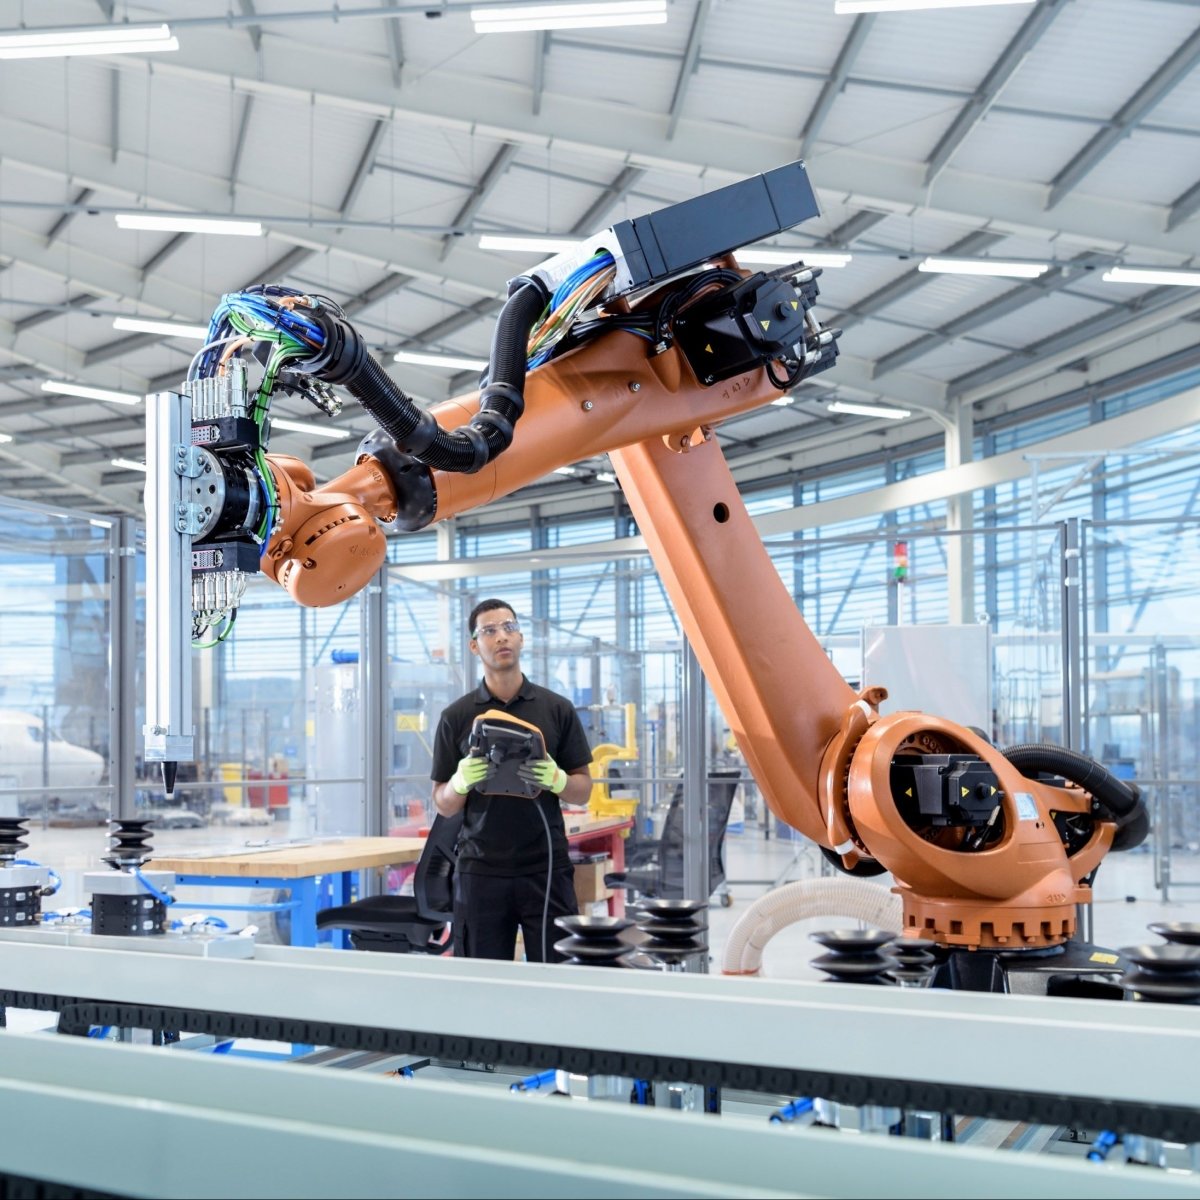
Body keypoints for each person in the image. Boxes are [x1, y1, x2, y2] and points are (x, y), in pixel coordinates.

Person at [431, 599, 593, 962]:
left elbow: (583, 790)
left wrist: (558, 779)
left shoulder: (557, 709)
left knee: (556, 976)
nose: (501, 636)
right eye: (489, 630)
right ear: (474, 645)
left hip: (546, 866)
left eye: (508, 627)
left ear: (520, 638)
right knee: (483, 986)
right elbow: (441, 802)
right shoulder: (455, 717)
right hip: (480, 870)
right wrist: (458, 783)